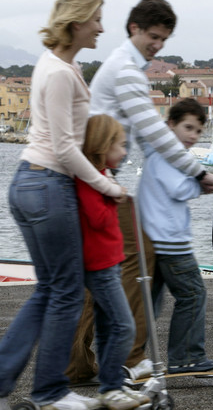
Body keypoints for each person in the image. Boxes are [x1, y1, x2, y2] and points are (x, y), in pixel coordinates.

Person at [66, 0, 213, 383]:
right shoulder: (126, 71)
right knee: (136, 264)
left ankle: (80, 361)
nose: (157, 46)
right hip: (101, 178)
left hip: (102, 177)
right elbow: (155, 132)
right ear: (133, 27)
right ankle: (129, 359)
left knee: (104, 273)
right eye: (153, 37)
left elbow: (146, 136)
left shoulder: (123, 66)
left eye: (163, 40)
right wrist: (198, 173)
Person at [0, 0, 124, 410]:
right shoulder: (56, 72)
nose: (101, 28)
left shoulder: (59, 67)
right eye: (96, 20)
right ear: (76, 22)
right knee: (68, 291)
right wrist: (107, 186)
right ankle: (50, 392)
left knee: (51, 289)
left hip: (32, 185)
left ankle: (7, 380)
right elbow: (66, 148)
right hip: (47, 185)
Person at [76, 115, 150, 410]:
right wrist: (114, 194)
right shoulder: (93, 181)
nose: (124, 151)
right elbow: (97, 218)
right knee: (122, 326)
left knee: (112, 327)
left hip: (110, 263)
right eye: (120, 145)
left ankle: (112, 387)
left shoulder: (102, 175)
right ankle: (112, 387)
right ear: (103, 147)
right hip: (100, 266)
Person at [139, 99, 213, 373]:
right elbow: (178, 189)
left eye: (197, 131)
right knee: (193, 293)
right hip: (169, 241)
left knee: (151, 302)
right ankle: (186, 356)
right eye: (188, 127)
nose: (193, 136)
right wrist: (202, 184)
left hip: (157, 238)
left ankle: (133, 359)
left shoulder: (158, 154)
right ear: (170, 125)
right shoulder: (164, 155)